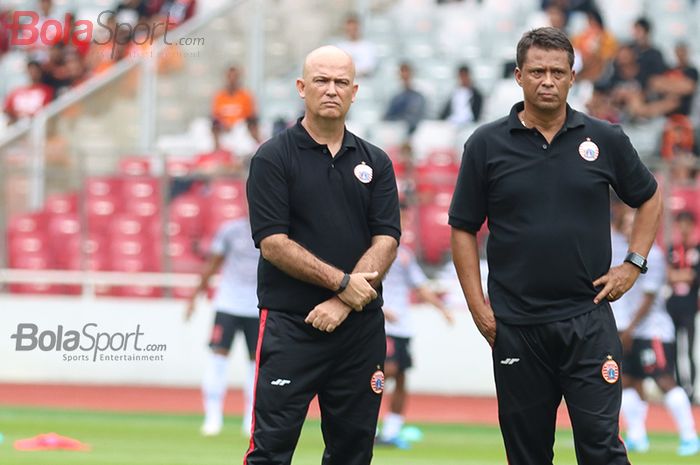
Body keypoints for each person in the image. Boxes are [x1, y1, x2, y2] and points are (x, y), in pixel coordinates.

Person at [448, 27, 662, 465]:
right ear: (518, 76)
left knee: (602, 450)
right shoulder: (486, 145)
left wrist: (633, 263)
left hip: (588, 320)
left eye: (557, 72)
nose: (547, 80)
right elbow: (462, 228)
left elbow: (650, 197)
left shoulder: (605, 138)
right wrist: (478, 307)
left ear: (572, 77)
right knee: (527, 456)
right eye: (537, 71)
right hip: (517, 327)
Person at [244, 45, 401, 465]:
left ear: (354, 91)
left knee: (353, 453)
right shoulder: (272, 157)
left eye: (340, 82)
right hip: (292, 325)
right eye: (321, 80)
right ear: (301, 87)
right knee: (271, 452)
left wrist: (342, 302)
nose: (331, 90)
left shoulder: (376, 161)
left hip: (359, 330)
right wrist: (342, 284)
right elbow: (273, 243)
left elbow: (386, 240)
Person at [611, 206, 699, 456]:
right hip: (629, 330)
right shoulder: (620, 252)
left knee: (663, 381)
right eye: (626, 223)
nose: (629, 227)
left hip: (653, 331)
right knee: (627, 381)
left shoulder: (655, 255)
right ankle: (638, 435)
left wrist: (630, 328)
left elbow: (649, 298)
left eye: (632, 223)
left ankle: (690, 436)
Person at [375, 204, 454, 448]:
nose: (403, 223)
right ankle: (362, 422)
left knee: (400, 376)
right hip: (383, 325)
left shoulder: (405, 254)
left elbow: (419, 287)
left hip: (403, 327)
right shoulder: (374, 250)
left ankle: (391, 430)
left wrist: (441, 309)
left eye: (405, 219)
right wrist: (379, 308)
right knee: (382, 374)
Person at [185, 216, 259, 436]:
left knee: (256, 366)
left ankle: (250, 419)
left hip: (257, 306)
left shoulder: (272, 231)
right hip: (228, 303)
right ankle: (213, 417)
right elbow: (213, 263)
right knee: (218, 358)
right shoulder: (230, 230)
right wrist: (194, 296)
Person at [667, 211, 700, 402]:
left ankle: (692, 390)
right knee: (675, 350)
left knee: (689, 349)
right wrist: (683, 275)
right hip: (674, 305)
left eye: (687, 224)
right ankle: (679, 388)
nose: (684, 227)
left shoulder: (697, 249)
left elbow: (694, 276)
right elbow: (670, 276)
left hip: (689, 306)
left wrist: (681, 275)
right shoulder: (674, 249)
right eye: (681, 224)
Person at [383, 62, 426, 134]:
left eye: (406, 71)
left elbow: (415, 113)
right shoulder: (395, 93)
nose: (404, 75)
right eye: (402, 72)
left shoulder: (419, 93)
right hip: (396, 126)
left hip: (414, 127)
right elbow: (389, 113)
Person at [211, 66, 256, 131]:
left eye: (235, 77)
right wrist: (224, 125)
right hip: (223, 130)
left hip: (241, 131)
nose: (232, 80)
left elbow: (250, 117)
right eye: (229, 76)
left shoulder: (246, 96)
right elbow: (215, 117)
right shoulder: (219, 96)